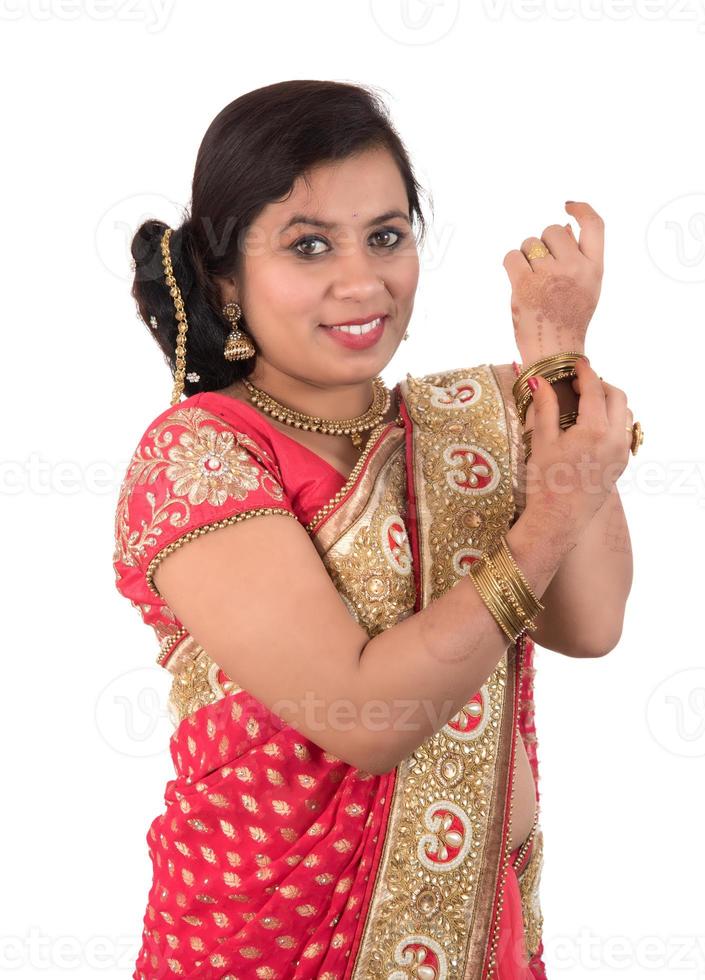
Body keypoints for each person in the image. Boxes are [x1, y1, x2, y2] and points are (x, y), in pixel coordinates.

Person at [112, 79, 638, 979]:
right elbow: (367, 715)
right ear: (225, 276)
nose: (363, 281)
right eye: (308, 244)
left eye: (387, 237)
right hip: (274, 942)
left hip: (481, 929)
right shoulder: (198, 456)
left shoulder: (461, 424)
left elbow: (588, 625)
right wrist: (551, 512)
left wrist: (556, 351)